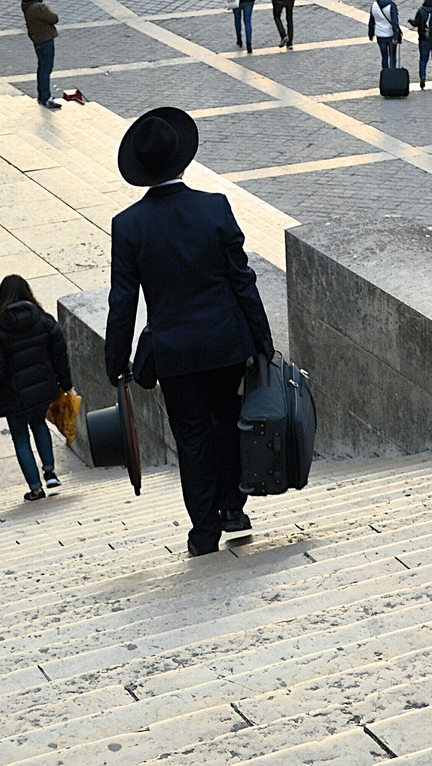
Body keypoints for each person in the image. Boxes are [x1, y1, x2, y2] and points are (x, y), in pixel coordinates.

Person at [106, 107, 274, 557]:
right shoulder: (213, 207)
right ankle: (232, 507)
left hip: (175, 355)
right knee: (227, 423)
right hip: (225, 343)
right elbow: (242, 279)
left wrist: (115, 361)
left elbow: (123, 302)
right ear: (183, 161)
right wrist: (263, 338)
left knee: (192, 438)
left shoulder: (128, 226)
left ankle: (204, 533)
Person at [0, 275, 72, 502]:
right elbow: (60, 354)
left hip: (13, 396)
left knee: (21, 438)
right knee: (39, 423)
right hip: (42, 389)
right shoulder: (44, 320)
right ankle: (50, 471)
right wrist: (66, 383)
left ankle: (35, 488)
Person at [21, 0, 60, 110]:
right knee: (46, 69)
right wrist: (46, 8)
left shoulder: (27, 5)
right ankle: (46, 97)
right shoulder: (38, 8)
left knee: (42, 67)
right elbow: (54, 18)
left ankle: (42, 95)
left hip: (38, 39)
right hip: (45, 39)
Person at [368, 0, 401, 70]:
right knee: (392, 56)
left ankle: (385, 73)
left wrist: (370, 34)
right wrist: (395, 36)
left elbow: (371, 21)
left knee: (384, 56)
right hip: (390, 34)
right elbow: (394, 22)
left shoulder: (374, 5)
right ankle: (392, 74)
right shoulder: (391, 5)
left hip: (380, 34)